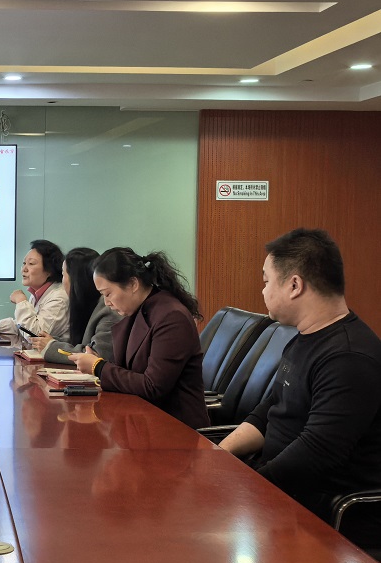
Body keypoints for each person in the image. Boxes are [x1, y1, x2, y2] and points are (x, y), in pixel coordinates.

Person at [219, 229, 381, 543]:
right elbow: (270, 410)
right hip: (282, 490)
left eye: (266, 280)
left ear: (294, 285)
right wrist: (220, 455)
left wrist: (249, 486)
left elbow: (317, 453)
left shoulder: (349, 357)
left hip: (323, 513)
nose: (263, 290)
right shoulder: (305, 338)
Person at [69, 247, 208, 429]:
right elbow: (130, 370)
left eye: (108, 294)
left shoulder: (171, 317)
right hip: (143, 420)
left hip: (175, 427)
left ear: (133, 284)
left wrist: (99, 367)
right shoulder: (140, 310)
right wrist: (99, 363)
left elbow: (152, 386)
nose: (107, 303)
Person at [0, 239, 69, 339]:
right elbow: (22, 325)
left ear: (49, 270)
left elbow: (35, 335)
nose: (24, 269)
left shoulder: (59, 298)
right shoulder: (39, 293)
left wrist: (21, 301)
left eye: (31, 264)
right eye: (24, 263)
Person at [31, 247, 121, 364]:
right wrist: (51, 341)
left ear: (76, 280)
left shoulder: (109, 309)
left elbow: (95, 355)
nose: (62, 282)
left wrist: (50, 346)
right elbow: (81, 343)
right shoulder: (88, 305)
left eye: (63, 275)